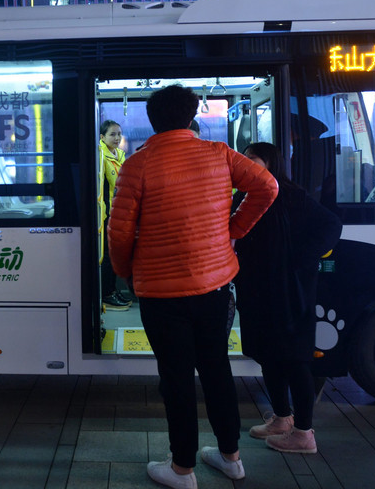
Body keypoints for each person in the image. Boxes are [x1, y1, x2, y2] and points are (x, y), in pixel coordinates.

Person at [108, 85, 278, 488]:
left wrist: (125, 272)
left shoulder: (136, 165)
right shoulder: (220, 154)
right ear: (190, 117)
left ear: (153, 121)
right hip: (214, 286)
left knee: (177, 378)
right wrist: (234, 229)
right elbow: (267, 187)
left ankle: (182, 469)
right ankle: (231, 458)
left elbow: (119, 233)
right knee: (217, 368)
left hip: (160, 293)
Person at [233, 142, 342, 455]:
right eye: (244, 159)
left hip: (289, 292)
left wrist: (300, 260)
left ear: (271, 162)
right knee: (268, 355)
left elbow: (331, 225)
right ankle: (282, 418)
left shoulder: (292, 195)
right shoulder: (243, 196)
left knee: (295, 359)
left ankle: (304, 433)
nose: (246, 164)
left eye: (253, 159)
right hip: (256, 292)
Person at [98, 119, 130, 310]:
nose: (117, 138)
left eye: (119, 134)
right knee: (108, 256)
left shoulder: (119, 155)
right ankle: (106, 293)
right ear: (102, 137)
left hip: (118, 212)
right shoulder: (100, 156)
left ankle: (112, 289)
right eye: (112, 134)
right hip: (106, 214)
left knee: (115, 254)